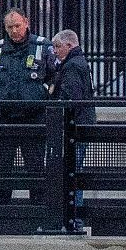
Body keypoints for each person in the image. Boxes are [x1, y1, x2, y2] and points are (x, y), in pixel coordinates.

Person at [0, 8, 57, 203]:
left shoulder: (42, 46)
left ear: (26, 23)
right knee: (1, 168)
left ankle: (39, 209)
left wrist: (44, 94)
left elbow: (57, 76)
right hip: (3, 119)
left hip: (34, 117)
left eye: (17, 26)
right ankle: (0, 210)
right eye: (9, 27)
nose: (14, 31)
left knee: (36, 167)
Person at [50, 30, 95, 208]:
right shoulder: (80, 62)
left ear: (69, 45)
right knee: (74, 169)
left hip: (75, 126)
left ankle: (73, 213)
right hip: (83, 122)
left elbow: (71, 98)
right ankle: (74, 213)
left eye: (58, 46)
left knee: (71, 170)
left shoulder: (71, 66)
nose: (55, 51)